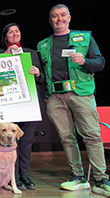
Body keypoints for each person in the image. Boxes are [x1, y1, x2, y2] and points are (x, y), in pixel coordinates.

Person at [37, 4, 109, 196]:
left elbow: (100, 62)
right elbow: (44, 75)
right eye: (54, 16)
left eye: (62, 15)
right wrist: (37, 75)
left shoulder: (85, 38)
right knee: (66, 138)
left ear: (69, 17)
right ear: (50, 20)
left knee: (92, 136)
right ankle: (78, 177)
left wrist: (85, 62)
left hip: (81, 93)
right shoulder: (43, 44)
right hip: (55, 97)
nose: (58, 19)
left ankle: (101, 179)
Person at [0, 23, 45, 191]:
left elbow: (42, 78)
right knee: (9, 142)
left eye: (17, 31)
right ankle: (12, 178)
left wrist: (37, 73)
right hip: (7, 105)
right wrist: (3, 58)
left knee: (26, 142)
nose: (14, 34)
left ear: (20, 35)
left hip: (29, 104)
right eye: (10, 32)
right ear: (5, 37)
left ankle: (25, 176)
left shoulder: (31, 53)